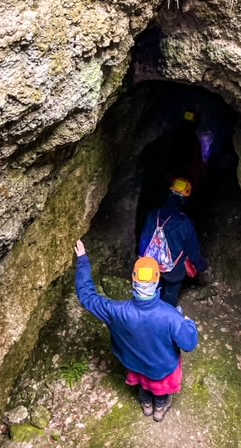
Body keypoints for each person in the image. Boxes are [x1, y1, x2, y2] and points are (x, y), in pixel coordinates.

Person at [75, 241, 199, 422]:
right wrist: (189, 324)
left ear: (134, 279)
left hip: (135, 364)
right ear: (157, 280)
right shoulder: (170, 316)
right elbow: (189, 343)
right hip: (162, 368)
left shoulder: (116, 312)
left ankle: (146, 405)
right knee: (159, 390)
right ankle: (159, 408)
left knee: (143, 385)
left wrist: (83, 260)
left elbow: (87, 296)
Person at [139, 177, 208, 306]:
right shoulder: (184, 222)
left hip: (151, 266)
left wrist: (142, 259)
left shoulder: (154, 214)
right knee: (171, 292)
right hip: (174, 270)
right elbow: (193, 250)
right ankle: (165, 317)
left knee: (152, 291)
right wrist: (201, 266)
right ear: (185, 198)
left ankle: (149, 312)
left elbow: (144, 238)